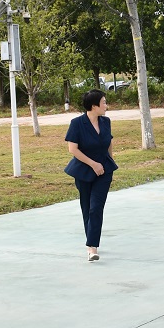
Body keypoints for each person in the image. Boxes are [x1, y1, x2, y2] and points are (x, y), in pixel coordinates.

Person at [64, 89, 118, 262]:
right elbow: (73, 149)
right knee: (87, 207)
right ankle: (91, 242)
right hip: (84, 170)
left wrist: (109, 160)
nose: (106, 106)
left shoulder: (106, 121)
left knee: (96, 207)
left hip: (104, 170)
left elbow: (108, 142)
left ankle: (92, 247)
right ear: (94, 106)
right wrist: (93, 164)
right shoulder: (77, 123)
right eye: (104, 102)